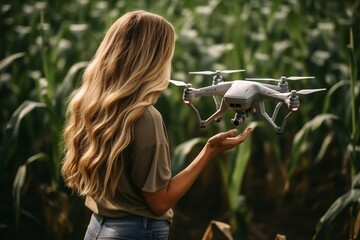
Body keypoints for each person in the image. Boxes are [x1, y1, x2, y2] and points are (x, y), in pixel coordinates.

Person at [61, 10, 253, 240]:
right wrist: (209, 151)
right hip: (134, 232)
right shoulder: (145, 117)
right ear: (153, 60)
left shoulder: (91, 104)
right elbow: (159, 202)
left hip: (97, 227)